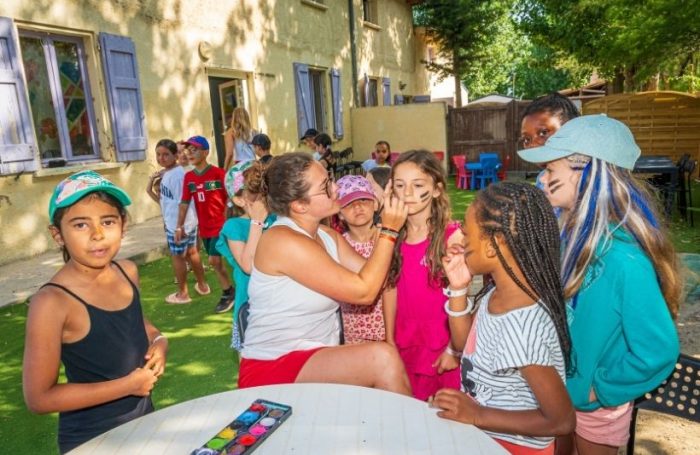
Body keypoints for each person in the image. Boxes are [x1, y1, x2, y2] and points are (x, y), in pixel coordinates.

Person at [518, 114, 681, 455]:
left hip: (595, 410)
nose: (542, 178)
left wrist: (599, 389)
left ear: (587, 174)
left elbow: (658, 351)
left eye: (550, 169)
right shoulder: (565, 239)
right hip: (557, 394)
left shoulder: (625, 262)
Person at [238, 152, 411, 395]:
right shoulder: (281, 240)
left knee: (383, 359)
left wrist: (389, 219)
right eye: (325, 186)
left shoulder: (327, 236)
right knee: (382, 359)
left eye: (330, 179)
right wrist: (390, 230)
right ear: (299, 205)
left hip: (316, 357)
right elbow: (364, 292)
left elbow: (380, 277)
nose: (335, 188)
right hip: (273, 365)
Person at [23, 171, 167, 453]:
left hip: (144, 425)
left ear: (123, 225)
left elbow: (136, 324)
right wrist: (127, 386)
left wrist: (160, 341)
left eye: (108, 221)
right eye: (80, 225)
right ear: (58, 234)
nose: (98, 234)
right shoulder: (51, 302)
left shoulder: (127, 271)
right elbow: (39, 398)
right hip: (92, 441)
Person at [433, 182, 575, 454]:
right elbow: (464, 345)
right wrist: (458, 289)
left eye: (467, 234)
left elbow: (562, 420)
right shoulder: (498, 294)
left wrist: (478, 414)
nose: (461, 242)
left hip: (514, 447)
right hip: (488, 437)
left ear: (492, 245)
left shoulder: (522, 327)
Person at [383, 150, 462, 401]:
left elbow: (461, 296)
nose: (407, 193)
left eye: (417, 185)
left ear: (436, 190)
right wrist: (389, 340)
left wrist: (454, 349)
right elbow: (389, 288)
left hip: (443, 346)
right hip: (404, 342)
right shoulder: (388, 238)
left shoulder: (452, 236)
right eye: (399, 185)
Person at [216, 161, 276, 351]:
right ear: (239, 200)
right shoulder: (233, 226)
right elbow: (248, 266)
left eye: (265, 190)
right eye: (256, 192)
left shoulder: (277, 219)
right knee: (254, 363)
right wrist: (257, 222)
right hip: (251, 308)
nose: (263, 197)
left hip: (279, 304)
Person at [176, 135, 235, 313]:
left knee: (214, 260)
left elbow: (230, 198)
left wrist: (228, 219)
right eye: (188, 150)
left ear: (205, 152)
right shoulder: (189, 178)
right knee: (217, 263)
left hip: (221, 226)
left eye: (194, 150)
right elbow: (184, 203)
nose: (189, 153)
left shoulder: (219, 174)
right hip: (205, 228)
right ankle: (230, 291)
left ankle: (230, 293)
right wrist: (179, 226)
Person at [146, 139, 209, 304]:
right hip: (186, 223)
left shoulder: (177, 176)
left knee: (178, 257)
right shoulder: (173, 173)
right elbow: (166, 201)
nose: (161, 158)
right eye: (158, 154)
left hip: (178, 225)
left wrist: (179, 227)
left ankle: (183, 294)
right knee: (192, 252)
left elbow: (184, 202)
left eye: (166, 155)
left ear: (175, 155)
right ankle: (202, 286)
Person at [334, 175, 385, 344]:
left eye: (363, 199)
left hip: (390, 328)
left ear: (375, 204)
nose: (358, 206)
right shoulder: (339, 245)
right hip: (355, 332)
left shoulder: (387, 239)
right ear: (340, 214)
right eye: (349, 203)